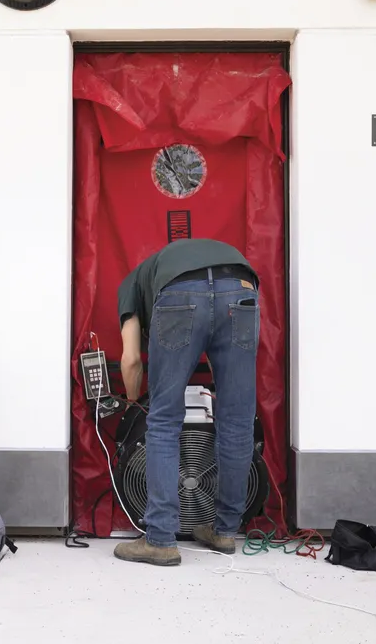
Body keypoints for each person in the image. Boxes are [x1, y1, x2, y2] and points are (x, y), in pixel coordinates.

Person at [111, 238, 261, 566]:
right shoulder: (180, 258)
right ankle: (224, 531)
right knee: (237, 418)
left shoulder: (131, 283)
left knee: (163, 420)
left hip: (180, 292)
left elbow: (132, 359)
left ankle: (161, 539)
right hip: (241, 284)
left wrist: (133, 399)